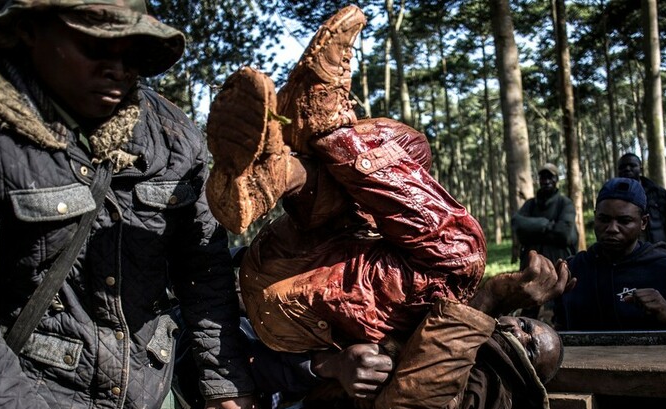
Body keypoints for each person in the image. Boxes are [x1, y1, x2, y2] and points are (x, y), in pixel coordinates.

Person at [0, 0, 266, 409]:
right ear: (28, 33)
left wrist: (224, 378)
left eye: (135, 53)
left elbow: (204, 266)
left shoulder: (171, 135)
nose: (120, 68)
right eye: (95, 45)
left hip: (149, 404)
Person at [207, 5, 486, 354]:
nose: (521, 331)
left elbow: (403, 406)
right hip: (310, 260)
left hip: (293, 310)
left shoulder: (490, 389)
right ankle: (278, 173)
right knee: (410, 148)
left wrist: (335, 368)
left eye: (527, 343)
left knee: (460, 260)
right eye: (528, 327)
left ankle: (322, 130)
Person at [554, 177, 666, 331]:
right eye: (604, 219)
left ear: (643, 223)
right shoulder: (574, 269)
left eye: (624, 221)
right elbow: (560, 328)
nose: (612, 229)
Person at [511, 162, 578, 321]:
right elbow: (517, 224)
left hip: (556, 263)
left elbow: (564, 234)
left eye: (550, 177)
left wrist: (534, 228)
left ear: (556, 180)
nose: (546, 180)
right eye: (543, 177)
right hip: (531, 266)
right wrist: (547, 225)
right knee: (528, 309)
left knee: (558, 309)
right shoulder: (530, 204)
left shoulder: (564, 203)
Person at [617, 153, 666, 264]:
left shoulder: (659, 194)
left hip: (659, 256)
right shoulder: (612, 198)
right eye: (622, 167)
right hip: (628, 261)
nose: (627, 169)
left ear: (640, 168)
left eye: (632, 165)